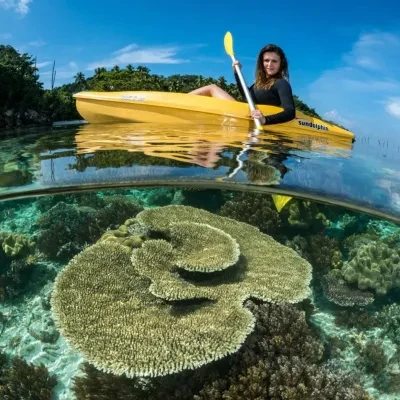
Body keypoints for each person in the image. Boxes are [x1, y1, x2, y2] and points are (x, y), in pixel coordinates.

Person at [188, 44, 296, 125]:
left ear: (281, 63)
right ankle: (182, 100)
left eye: (274, 61)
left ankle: (181, 101)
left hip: (245, 117)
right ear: (261, 62)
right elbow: (246, 95)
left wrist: (265, 119)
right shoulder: (259, 83)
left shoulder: (281, 83)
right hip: (244, 112)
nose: (269, 64)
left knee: (212, 88)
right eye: (266, 60)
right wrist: (236, 73)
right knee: (212, 88)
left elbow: (290, 112)